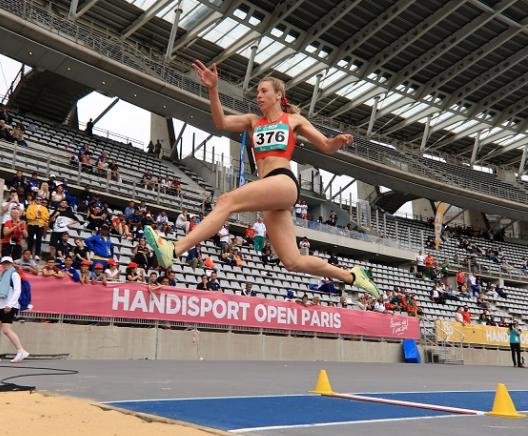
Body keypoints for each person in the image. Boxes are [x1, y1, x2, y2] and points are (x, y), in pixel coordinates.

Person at [143, 63, 380, 298]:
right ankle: (352, 276)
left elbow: (327, 146)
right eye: (256, 92)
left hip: (284, 182)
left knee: (227, 200)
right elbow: (221, 123)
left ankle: (173, 250)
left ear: (279, 94)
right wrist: (213, 89)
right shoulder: (252, 122)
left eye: (263, 91)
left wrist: (338, 140)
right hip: (270, 192)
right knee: (292, 261)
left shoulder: (293, 120)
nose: (258, 96)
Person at [0, 256, 30, 363]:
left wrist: (10, 305)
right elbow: (1, 293)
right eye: (4, 263)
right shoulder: (2, 275)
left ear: (12, 263)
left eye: (7, 263)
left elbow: (17, 291)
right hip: (0, 305)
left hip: (10, 306)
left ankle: (21, 350)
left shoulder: (14, 274)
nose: (5, 265)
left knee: (6, 330)